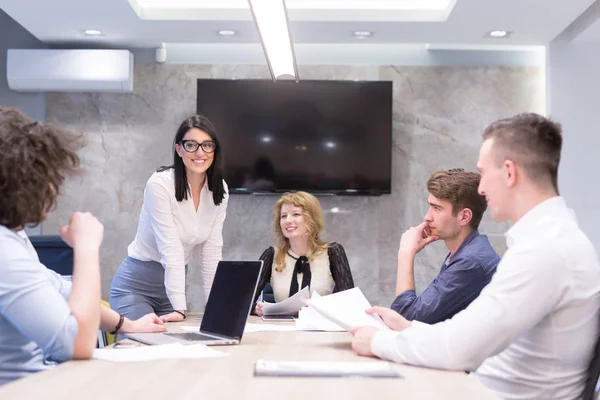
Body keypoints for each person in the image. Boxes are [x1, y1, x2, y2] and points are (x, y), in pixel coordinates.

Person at [350, 113, 600, 400]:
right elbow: (470, 334)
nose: (480, 189)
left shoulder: (545, 251)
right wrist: (409, 328)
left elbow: (458, 349)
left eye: (484, 173)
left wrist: (379, 341)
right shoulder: (552, 239)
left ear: (509, 173)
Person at [0, 106, 165, 386]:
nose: (53, 187)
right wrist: (86, 247)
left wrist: (128, 325)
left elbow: (62, 290)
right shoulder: (4, 249)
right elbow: (77, 342)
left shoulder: (12, 237)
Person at [110, 115, 228, 322]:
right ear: (179, 149)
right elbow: (170, 247)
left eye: (207, 145)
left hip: (170, 289)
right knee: (144, 347)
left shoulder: (220, 190)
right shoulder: (160, 184)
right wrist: (180, 308)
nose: (200, 152)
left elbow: (211, 252)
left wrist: (215, 306)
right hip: (136, 287)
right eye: (191, 145)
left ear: (214, 149)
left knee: (174, 351)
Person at [391, 169, 500, 323]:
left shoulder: (470, 263)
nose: (427, 217)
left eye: (437, 208)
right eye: (430, 206)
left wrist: (405, 253)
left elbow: (406, 318)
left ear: (464, 217)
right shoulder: (467, 252)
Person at [253, 191, 354, 315]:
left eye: (295, 214)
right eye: (283, 216)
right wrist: (255, 309)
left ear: (311, 218)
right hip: (280, 331)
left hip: (321, 331)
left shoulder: (332, 252)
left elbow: (349, 302)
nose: (288, 220)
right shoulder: (272, 255)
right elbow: (244, 301)